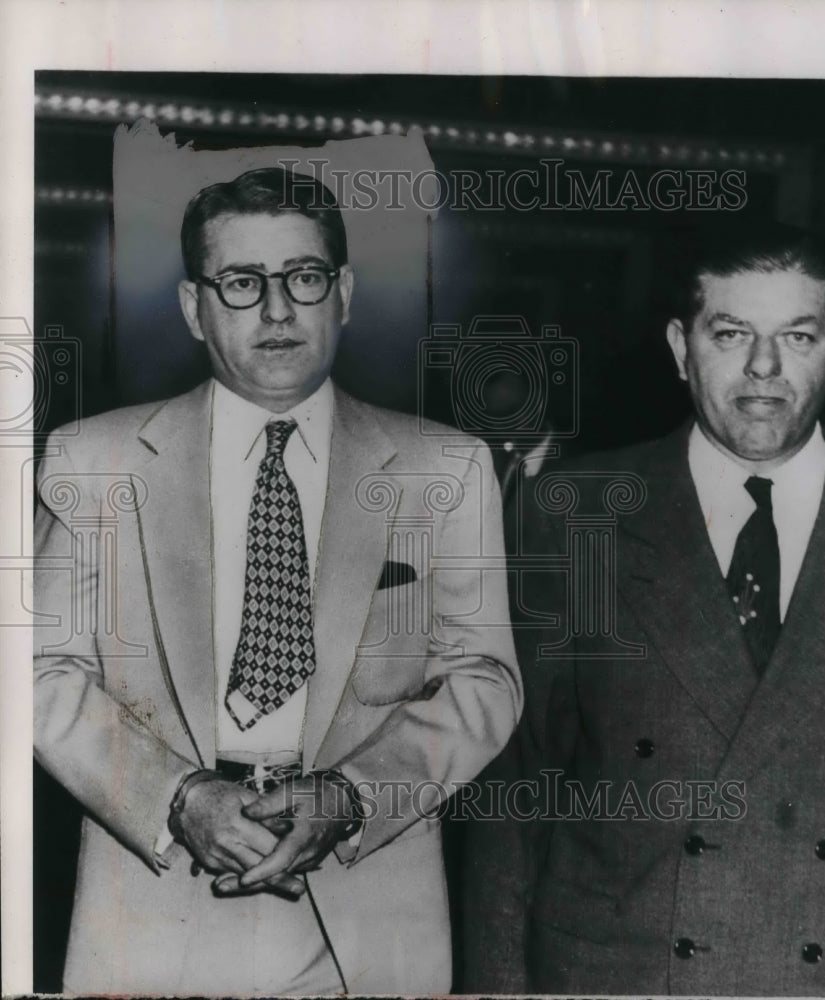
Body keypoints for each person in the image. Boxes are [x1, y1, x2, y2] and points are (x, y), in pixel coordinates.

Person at [33, 166, 522, 996]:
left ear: (345, 294)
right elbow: (37, 675)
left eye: (303, 276)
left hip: (365, 908)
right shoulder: (95, 459)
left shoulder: (449, 466)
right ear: (194, 307)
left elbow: (484, 681)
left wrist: (353, 797)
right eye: (241, 282)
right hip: (154, 894)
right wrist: (179, 798)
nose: (276, 310)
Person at [464, 223, 825, 996]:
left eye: (797, 336)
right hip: (618, 973)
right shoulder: (575, 514)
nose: (764, 368)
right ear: (681, 347)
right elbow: (511, 801)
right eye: (732, 333)